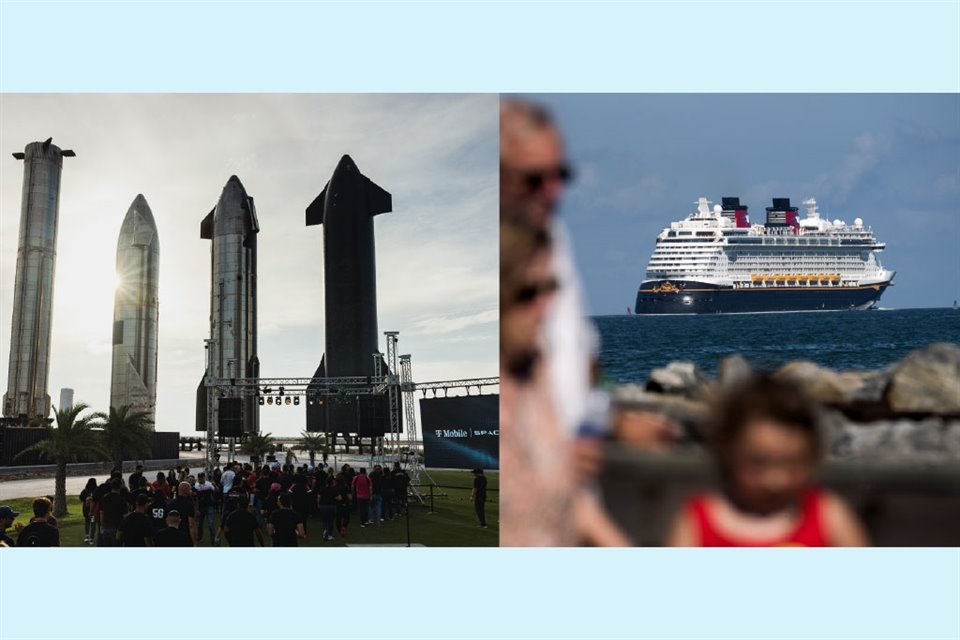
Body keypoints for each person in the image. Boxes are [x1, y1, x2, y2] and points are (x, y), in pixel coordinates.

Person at [665, 375, 870, 547]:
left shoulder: (828, 517)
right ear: (728, 452)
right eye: (758, 463)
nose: (775, 480)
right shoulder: (699, 522)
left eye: (791, 464)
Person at [98, 477, 129, 547]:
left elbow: (101, 513)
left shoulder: (104, 498)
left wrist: (102, 526)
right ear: (120, 486)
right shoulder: (121, 500)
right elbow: (125, 516)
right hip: (117, 527)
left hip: (106, 527)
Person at [167, 481, 198, 546]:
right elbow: (191, 525)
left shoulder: (171, 503)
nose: (191, 491)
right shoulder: (189, 505)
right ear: (185, 490)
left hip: (172, 536)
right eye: (189, 489)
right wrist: (194, 541)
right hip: (186, 536)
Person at [193, 472, 217, 545]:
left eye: (202, 477)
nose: (200, 479)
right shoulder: (196, 486)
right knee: (200, 524)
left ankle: (213, 538)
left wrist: (215, 486)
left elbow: (215, 491)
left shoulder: (209, 484)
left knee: (210, 524)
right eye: (199, 477)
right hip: (200, 507)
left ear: (204, 477)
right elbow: (195, 498)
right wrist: (196, 509)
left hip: (209, 506)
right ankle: (200, 538)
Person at [79, 477, 98, 544]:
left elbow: (81, 498)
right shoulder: (96, 490)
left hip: (86, 510)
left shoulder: (85, 491)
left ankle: (86, 536)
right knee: (93, 523)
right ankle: (91, 538)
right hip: (93, 510)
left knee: (87, 522)